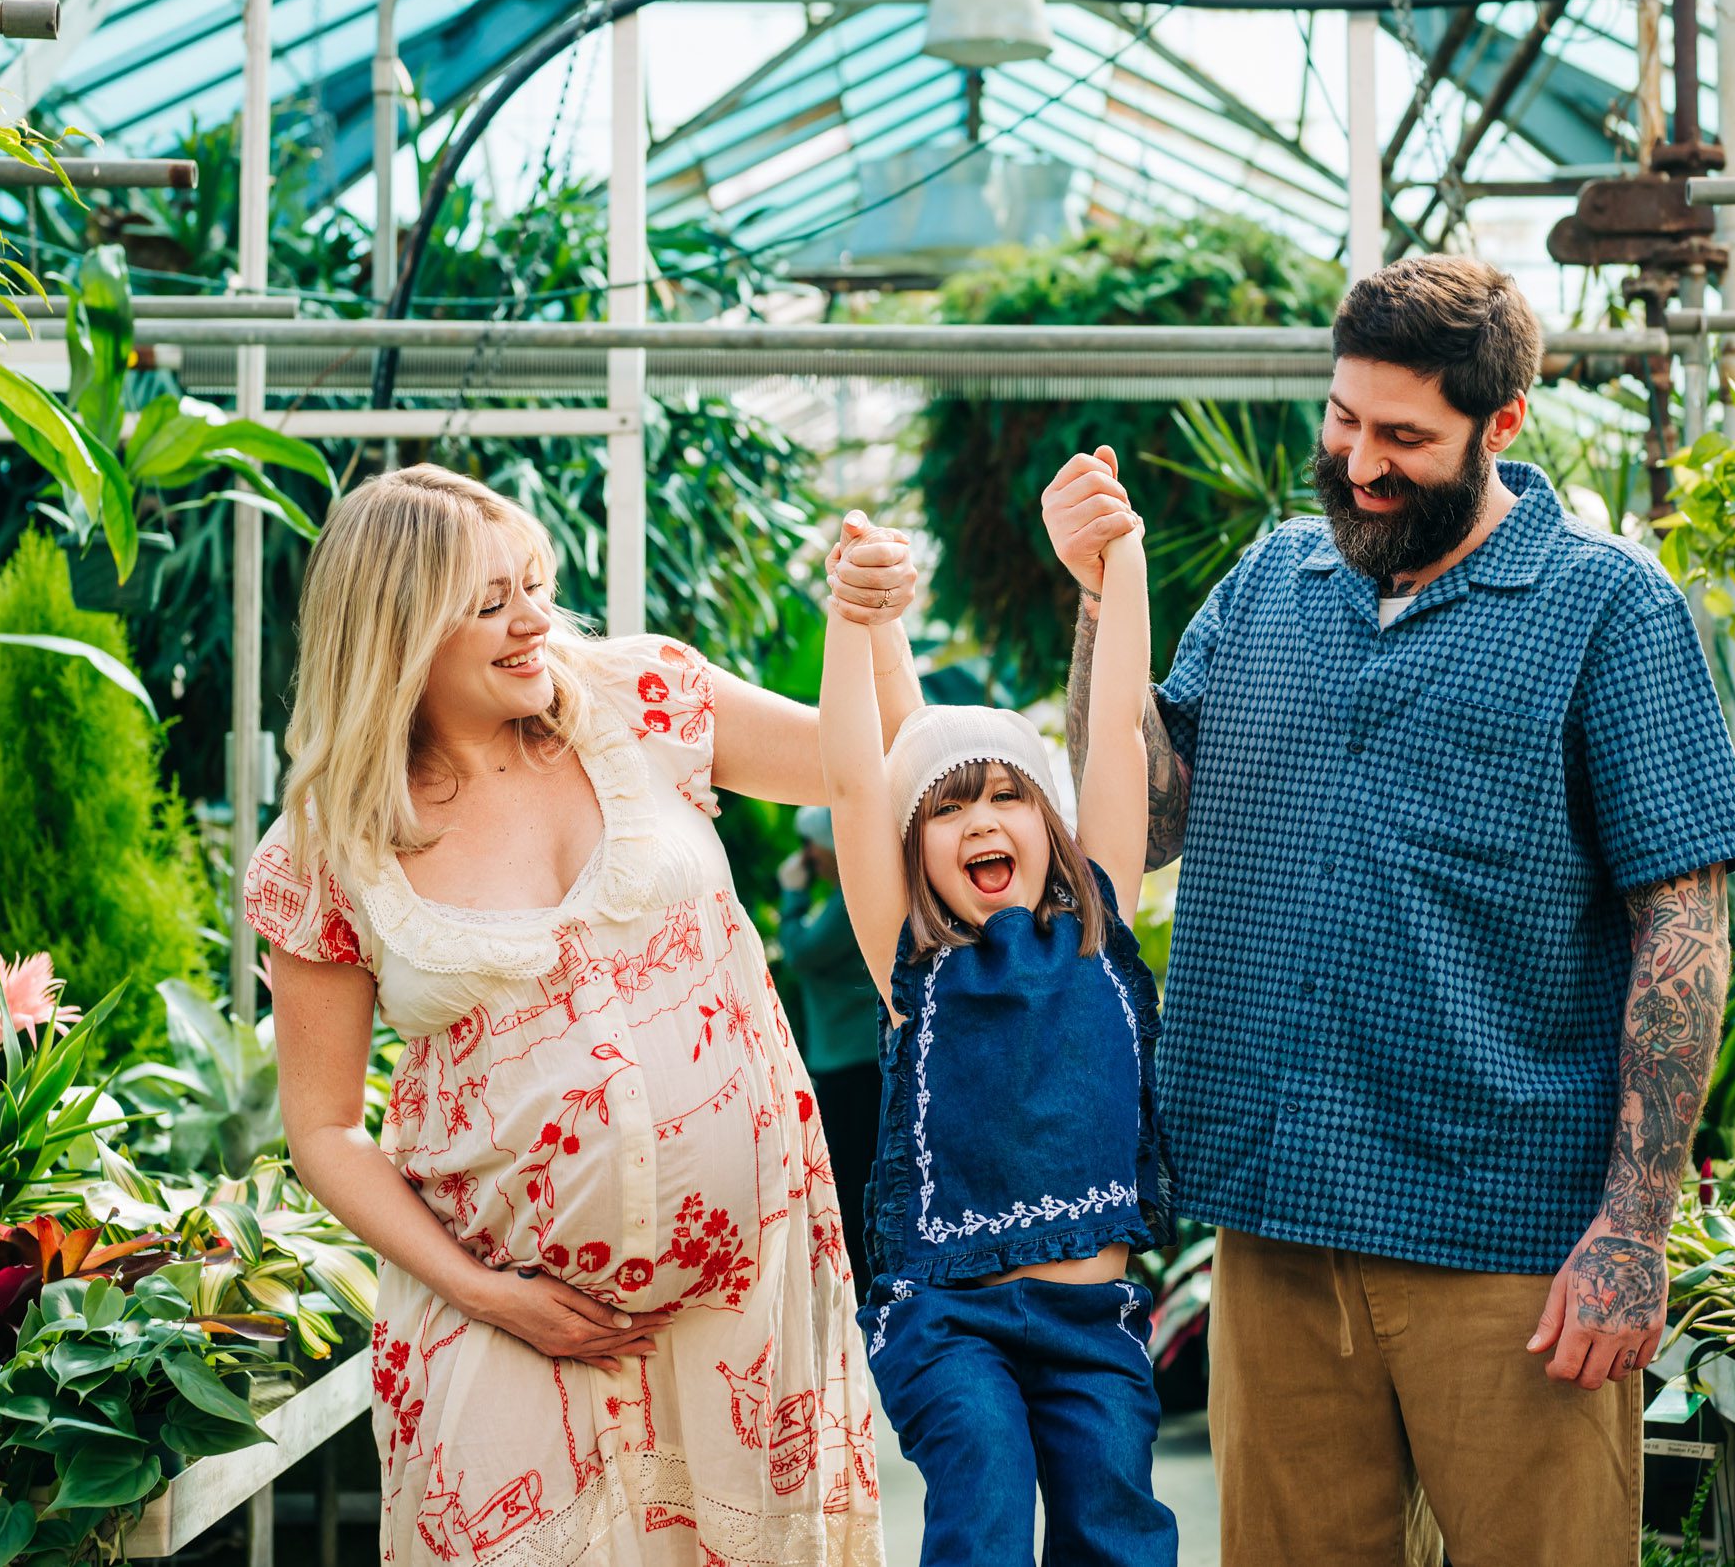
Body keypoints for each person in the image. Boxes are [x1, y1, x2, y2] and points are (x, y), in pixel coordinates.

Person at [1041, 255, 1735, 1567]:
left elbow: (1685, 925)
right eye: (1343, 420)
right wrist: (1103, 598)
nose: (1360, 463)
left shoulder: (1610, 608)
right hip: (1275, 1227)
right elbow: (1131, 825)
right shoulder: (1270, 586)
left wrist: (1636, 1229)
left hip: (1511, 1250)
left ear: (1501, 426)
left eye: (1404, 437)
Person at [254, 466, 924, 1566]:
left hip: (741, 1301)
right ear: (397, 633)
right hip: (501, 1311)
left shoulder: (639, 695)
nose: (535, 622)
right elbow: (324, 1127)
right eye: (490, 603)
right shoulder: (330, 842)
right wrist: (488, 1293)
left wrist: (872, 623)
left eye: (536, 583)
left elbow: (878, 773)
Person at [820, 509, 1179, 1567]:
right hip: (951, 1324)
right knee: (979, 1515)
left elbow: (1114, 730)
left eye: (1006, 794)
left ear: (1050, 823)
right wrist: (853, 613)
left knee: (1117, 1530)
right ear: (914, 853)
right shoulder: (913, 971)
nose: (980, 819)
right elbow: (854, 779)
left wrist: (1123, 560)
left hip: (1092, 1324)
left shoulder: (1096, 935)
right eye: (945, 810)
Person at [775, 806, 885, 1294]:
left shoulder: (849, 902)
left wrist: (793, 896)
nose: (806, 856)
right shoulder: (846, 897)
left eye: (811, 844)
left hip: (854, 1062)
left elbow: (802, 952)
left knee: (856, 1175)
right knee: (855, 1172)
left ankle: (865, 1283)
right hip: (849, 1060)